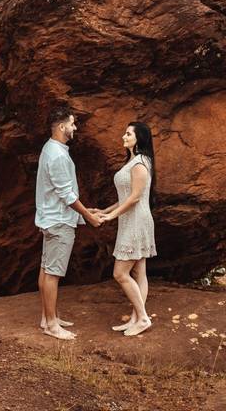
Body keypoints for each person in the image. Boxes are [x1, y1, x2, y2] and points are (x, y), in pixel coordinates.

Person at [36, 105, 103, 340]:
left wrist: (84, 211)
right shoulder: (56, 154)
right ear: (62, 126)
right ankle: (52, 325)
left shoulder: (52, 149)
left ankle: (47, 317)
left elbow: (64, 192)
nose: (75, 128)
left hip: (52, 218)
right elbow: (67, 194)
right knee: (53, 273)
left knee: (46, 268)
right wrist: (87, 215)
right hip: (59, 222)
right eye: (73, 124)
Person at [96, 121, 157, 336]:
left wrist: (111, 217)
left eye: (128, 133)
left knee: (120, 273)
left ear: (139, 138)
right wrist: (103, 211)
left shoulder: (140, 163)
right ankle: (136, 318)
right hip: (129, 220)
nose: (124, 136)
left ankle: (142, 318)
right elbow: (124, 197)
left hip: (137, 221)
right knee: (139, 271)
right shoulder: (132, 161)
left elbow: (135, 198)